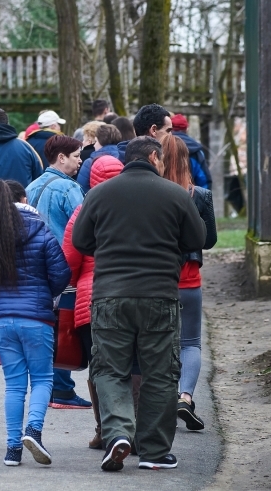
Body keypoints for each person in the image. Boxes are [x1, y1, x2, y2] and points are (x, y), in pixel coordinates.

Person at [72, 135, 206, 472]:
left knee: (110, 369)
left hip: (110, 297)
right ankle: (155, 451)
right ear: (152, 157)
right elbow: (196, 239)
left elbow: (81, 241)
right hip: (159, 295)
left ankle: (117, 434)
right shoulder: (175, 195)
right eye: (161, 160)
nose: (163, 165)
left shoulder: (99, 194)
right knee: (159, 372)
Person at [0, 180, 70, 467]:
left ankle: (13, 449)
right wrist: (46, 292)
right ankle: (33, 431)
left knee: (14, 385)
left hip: (0, 319)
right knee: (41, 378)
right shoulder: (41, 230)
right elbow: (61, 273)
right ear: (24, 198)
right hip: (37, 317)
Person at [24, 135, 91, 410]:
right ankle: (62, 388)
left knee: (43, 327)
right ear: (61, 158)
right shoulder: (68, 188)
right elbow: (83, 226)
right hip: (62, 267)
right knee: (64, 327)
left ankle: (46, 387)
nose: (80, 160)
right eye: (76, 155)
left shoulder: (31, 186)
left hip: (32, 267)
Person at [61, 155, 124, 449]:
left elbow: (69, 260)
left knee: (100, 368)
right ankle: (133, 426)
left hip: (91, 299)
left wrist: (74, 281)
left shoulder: (83, 210)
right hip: (132, 291)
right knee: (132, 364)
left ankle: (106, 431)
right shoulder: (133, 208)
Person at [160, 136, 217, 431]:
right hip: (190, 278)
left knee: (159, 341)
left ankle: (162, 399)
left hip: (158, 279)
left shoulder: (153, 195)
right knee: (191, 341)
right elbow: (209, 240)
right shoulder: (201, 195)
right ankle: (185, 396)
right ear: (186, 161)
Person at [171, 113, 213, 190]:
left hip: (166, 196)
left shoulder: (163, 146)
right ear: (186, 129)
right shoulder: (197, 150)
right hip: (189, 196)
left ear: (170, 128)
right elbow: (204, 180)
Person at [77, 124, 123, 194]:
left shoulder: (90, 162)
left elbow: (81, 190)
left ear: (101, 141)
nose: (94, 145)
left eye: (96, 141)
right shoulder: (125, 158)